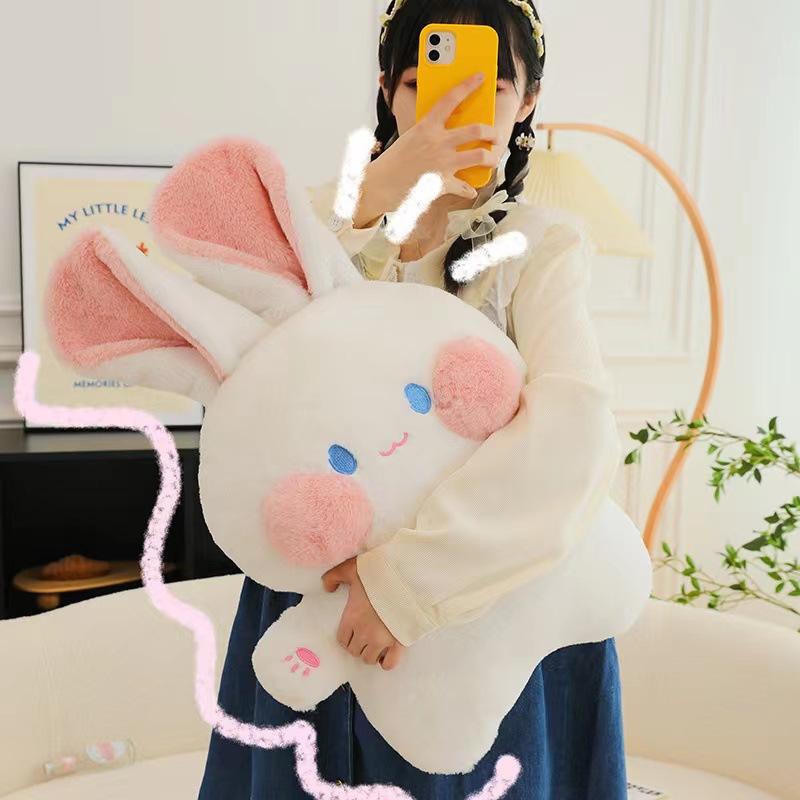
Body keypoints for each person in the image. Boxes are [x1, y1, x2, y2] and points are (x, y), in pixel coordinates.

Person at [197, 1, 628, 797]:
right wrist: (380, 188)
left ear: (529, 100)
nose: (448, 107)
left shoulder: (542, 245)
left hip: (484, 598)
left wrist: (404, 588)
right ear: (386, 89)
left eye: (489, 87)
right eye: (417, 84)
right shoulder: (327, 223)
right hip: (318, 588)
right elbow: (225, 321)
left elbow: (574, 433)